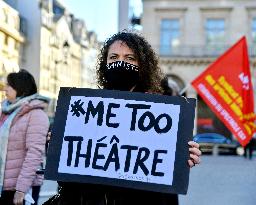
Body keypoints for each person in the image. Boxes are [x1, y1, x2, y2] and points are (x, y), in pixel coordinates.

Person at [43, 31, 201, 205]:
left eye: (130, 58)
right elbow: (68, 180)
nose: (121, 63)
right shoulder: (86, 109)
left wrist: (182, 157)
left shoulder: (161, 113)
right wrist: (57, 149)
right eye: (114, 57)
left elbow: (164, 178)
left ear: (143, 65)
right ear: (105, 64)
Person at [0, 69, 50, 205]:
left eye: (9, 85)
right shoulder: (5, 111)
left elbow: (34, 154)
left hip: (19, 188)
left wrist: (21, 189)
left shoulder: (36, 115)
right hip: (3, 184)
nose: (5, 88)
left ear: (21, 88)